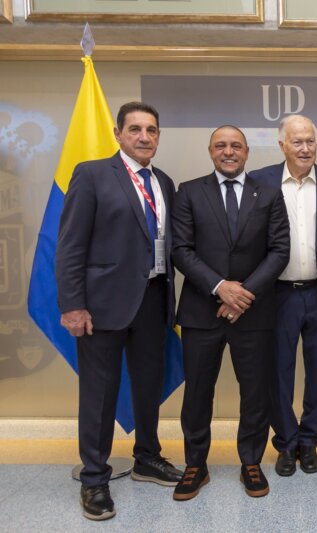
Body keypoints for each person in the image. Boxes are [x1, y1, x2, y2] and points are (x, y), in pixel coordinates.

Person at [56, 101, 182, 521]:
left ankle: (147, 456)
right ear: (118, 133)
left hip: (153, 300)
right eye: (136, 130)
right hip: (102, 305)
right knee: (99, 394)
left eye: (151, 130)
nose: (144, 137)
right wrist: (73, 304)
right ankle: (95, 478)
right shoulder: (92, 175)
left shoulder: (164, 181)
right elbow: (70, 245)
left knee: (149, 385)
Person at [171, 125, 290, 501]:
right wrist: (221, 287)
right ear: (210, 151)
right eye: (221, 145)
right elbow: (181, 249)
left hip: (253, 313)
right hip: (200, 311)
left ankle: (251, 461)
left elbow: (279, 251)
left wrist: (244, 293)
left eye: (235, 145)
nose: (228, 151)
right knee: (198, 392)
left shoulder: (269, 195)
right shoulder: (189, 192)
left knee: (254, 391)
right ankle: (195, 464)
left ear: (246, 152)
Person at [249, 115, 317, 476]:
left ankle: (309, 441)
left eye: (311, 141)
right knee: (278, 372)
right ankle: (286, 442)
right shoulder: (260, 182)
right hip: (277, 296)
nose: (305, 148)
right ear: (282, 145)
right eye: (297, 141)